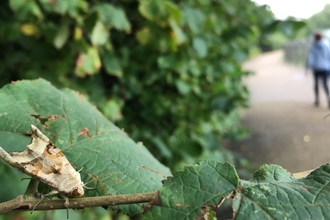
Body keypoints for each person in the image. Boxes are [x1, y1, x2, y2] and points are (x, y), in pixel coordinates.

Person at [307, 32, 330, 108]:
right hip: (326, 67)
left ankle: (317, 100)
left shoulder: (313, 46)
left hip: (317, 68)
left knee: (316, 84)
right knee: (324, 84)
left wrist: (309, 67)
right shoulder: (326, 44)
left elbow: (311, 59)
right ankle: (328, 98)